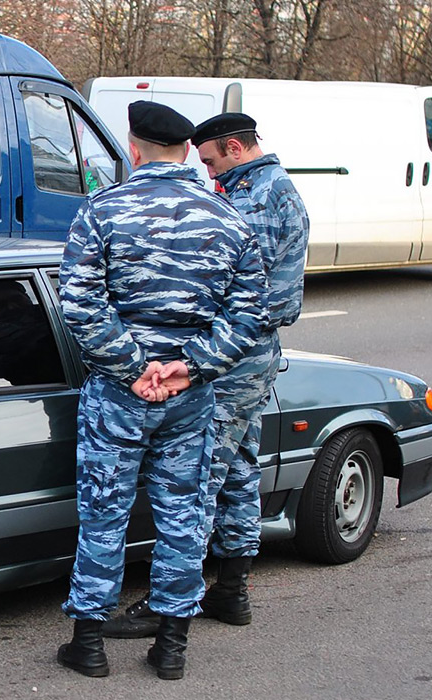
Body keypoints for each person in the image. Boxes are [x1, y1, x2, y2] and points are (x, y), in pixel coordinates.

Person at [56, 101, 267, 681]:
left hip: (119, 395)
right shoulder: (229, 219)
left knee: (104, 512)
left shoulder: (103, 211)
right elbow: (250, 316)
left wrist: (131, 368)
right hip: (188, 397)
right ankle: (171, 646)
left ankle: (90, 645)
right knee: (185, 515)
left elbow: (78, 304)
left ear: (134, 148)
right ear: (186, 152)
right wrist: (188, 368)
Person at [103, 112, 310, 639]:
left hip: (232, 356)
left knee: (195, 482)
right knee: (238, 468)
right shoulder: (265, 188)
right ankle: (232, 589)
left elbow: (240, 294)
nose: (207, 169)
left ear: (236, 147)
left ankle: (171, 602)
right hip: (250, 354)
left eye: (212, 158)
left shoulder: (256, 199)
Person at [0, 280, 64, 387]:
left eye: (17, 300)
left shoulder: (60, 315)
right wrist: (27, 356)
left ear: (27, 296)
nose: (12, 307)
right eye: (0, 305)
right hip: (47, 390)